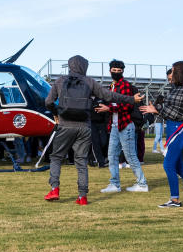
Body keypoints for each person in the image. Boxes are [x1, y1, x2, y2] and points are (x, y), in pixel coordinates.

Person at [43, 55, 144, 205]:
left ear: (70, 66)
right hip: (84, 126)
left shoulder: (60, 81)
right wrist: (131, 99)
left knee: (56, 157)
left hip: (65, 125)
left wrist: (56, 113)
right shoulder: (89, 82)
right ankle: (82, 196)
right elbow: (109, 96)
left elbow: (49, 102)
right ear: (85, 66)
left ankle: (54, 189)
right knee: (81, 161)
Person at [139, 61, 183, 208]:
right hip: (174, 128)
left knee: (169, 165)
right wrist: (158, 108)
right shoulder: (178, 88)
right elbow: (173, 109)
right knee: (178, 167)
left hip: (179, 129)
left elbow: (180, 114)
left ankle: (175, 199)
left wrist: (157, 110)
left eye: (172, 70)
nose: (170, 74)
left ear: (179, 72)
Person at [97, 60, 148, 194]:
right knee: (112, 155)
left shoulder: (124, 85)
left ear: (122, 72)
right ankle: (115, 184)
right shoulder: (112, 86)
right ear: (110, 71)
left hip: (125, 125)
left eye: (119, 71)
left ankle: (142, 183)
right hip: (116, 125)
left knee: (130, 156)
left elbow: (127, 105)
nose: (116, 73)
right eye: (114, 71)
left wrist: (109, 108)